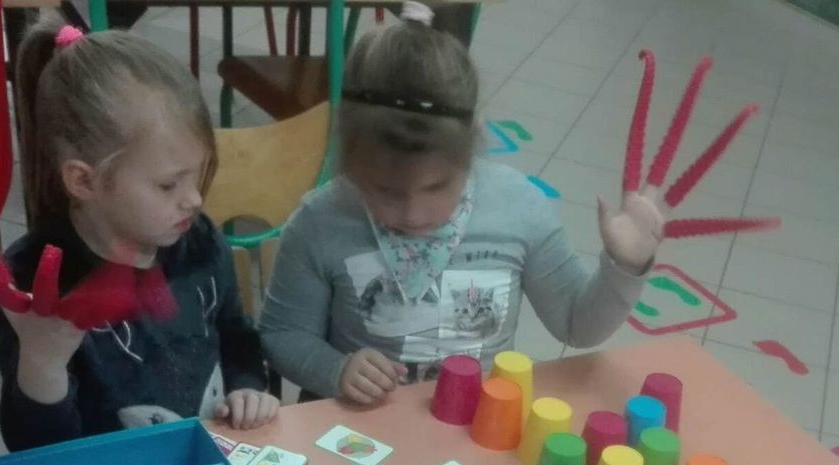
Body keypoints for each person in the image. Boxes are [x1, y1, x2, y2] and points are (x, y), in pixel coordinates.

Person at [258, 0, 665, 406]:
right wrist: (335, 370)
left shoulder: (519, 208)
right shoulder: (320, 221)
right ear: (350, 161)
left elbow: (576, 324)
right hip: (355, 430)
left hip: (477, 427)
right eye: (385, 190)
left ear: (472, 151)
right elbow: (283, 334)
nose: (413, 214)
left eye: (436, 187)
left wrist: (625, 268)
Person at [0, 16, 279, 451]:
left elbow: (237, 338)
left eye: (197, 175)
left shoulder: (198, 241)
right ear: (84, 181)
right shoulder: (34, 289)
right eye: (168, 184)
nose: (194, 199)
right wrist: (42, 362)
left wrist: (249, 388)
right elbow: (37, 452)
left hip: (210, 461)